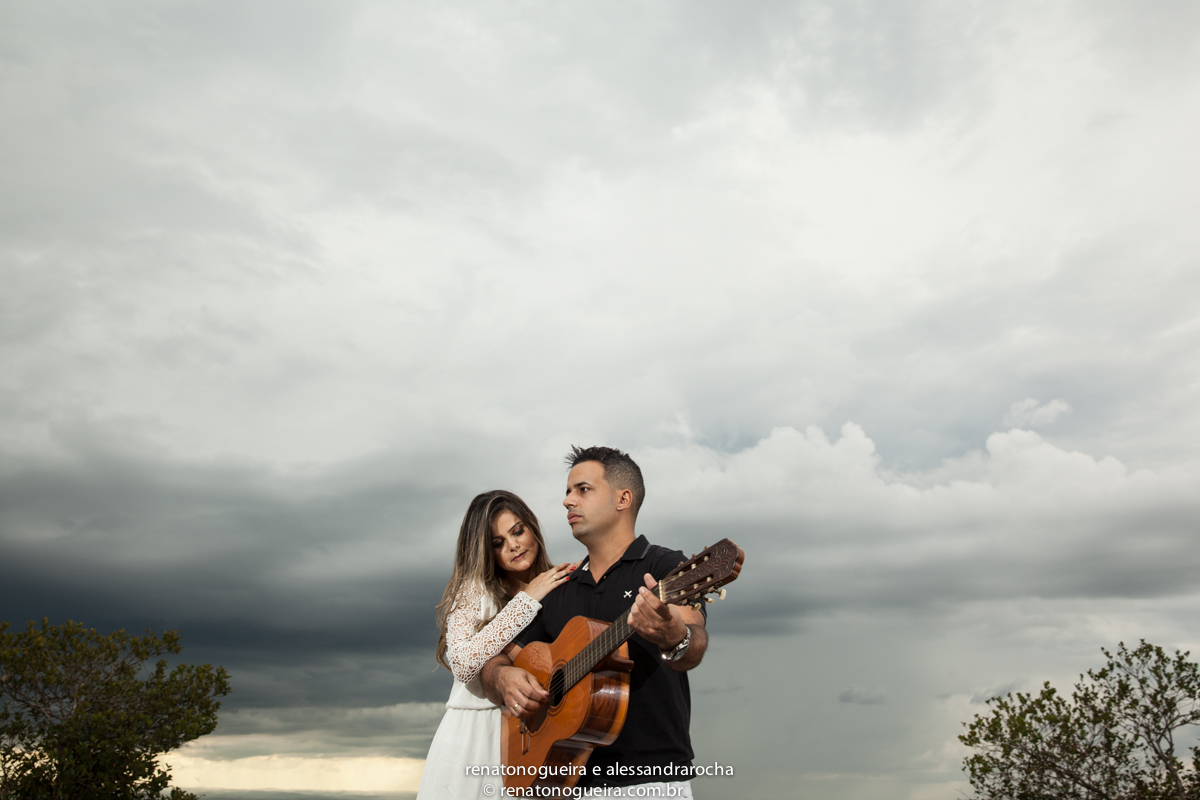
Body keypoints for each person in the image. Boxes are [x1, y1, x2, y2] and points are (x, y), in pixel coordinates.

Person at [481, 446, 708, 798]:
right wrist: (502, 677)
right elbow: (496, 658)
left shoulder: (665, 568)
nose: (567, 501)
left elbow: (693, 642)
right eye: (567, 491)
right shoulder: (560, 587)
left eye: (582, 490)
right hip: (567, 782)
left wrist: (674, 635)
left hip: (651, 781)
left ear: (623, 499)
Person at [416, 490, 574, 799]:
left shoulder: (555, 583)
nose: (513, 545)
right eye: (497, 543)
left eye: (518, 531)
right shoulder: (474, 590)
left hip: (533, 735)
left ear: (532, 528)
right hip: (475, 737)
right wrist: (526, 600)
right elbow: (462, 663)